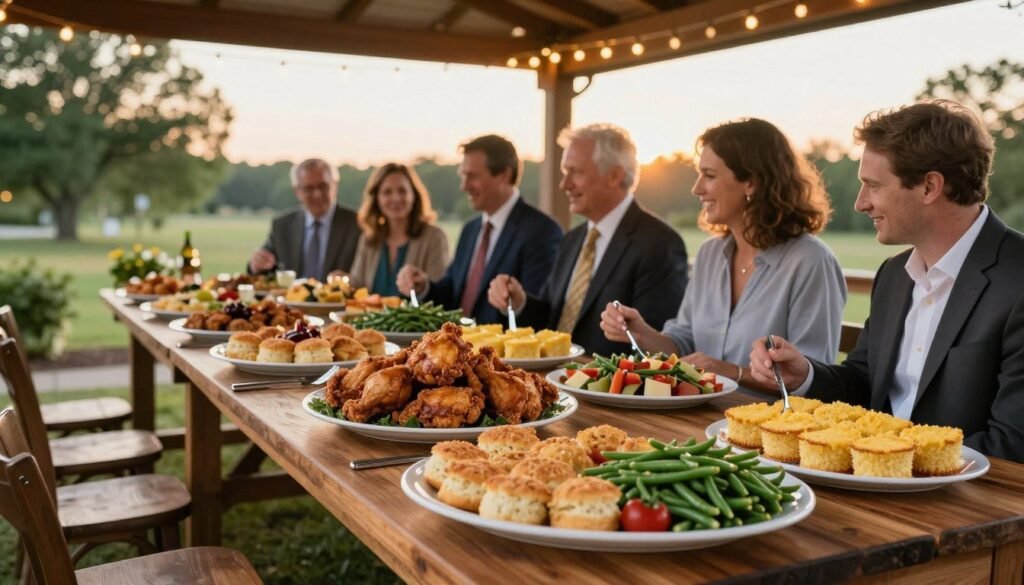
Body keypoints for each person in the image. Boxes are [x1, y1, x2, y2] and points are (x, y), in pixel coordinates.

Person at [748, 101, 1024, 463]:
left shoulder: (1016, 279)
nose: (861, 203)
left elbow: (1013, 445)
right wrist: (805, 376)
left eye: (873, 185)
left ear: (929, 187)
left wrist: (890, 461)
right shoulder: (894, 276)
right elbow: (865, 383)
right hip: (875, 482)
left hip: (964, 506)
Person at [599, 119, 846, 387]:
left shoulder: (811, 262)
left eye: (710, 175)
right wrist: (641, 332)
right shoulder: (710, 255)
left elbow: (811, 378)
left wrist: (729, 371)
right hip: (696, 417)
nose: (697, 188)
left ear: (751, 181)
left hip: (764, 425)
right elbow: (684, 343)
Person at [487, 123, 687, 355]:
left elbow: (652, 349)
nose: (565, 184)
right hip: (552, 383)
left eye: (576, 172)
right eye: (565, 172)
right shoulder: (572, 239)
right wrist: (520, 301)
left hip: (600, 388)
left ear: (614, 176)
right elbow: (550, 319)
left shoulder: (660, 244)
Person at [397, 135, 562, 323]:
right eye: (463, 176)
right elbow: (452, 292)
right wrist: (423, 287)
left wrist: (517, 302)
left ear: (504, 175)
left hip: (499, 350)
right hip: (457, 346)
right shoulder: (471, 229)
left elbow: (540, 312)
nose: (464, 186)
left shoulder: (542, 231)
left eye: (472, 176)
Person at [247, 158, 360, 281]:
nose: (317, 194)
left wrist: (350, 280)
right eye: (309, 188)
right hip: (291, 299)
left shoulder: (358, 224)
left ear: (335, 186)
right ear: (297, 191)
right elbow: (266, 267)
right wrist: (256, 265)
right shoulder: (282, 225)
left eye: (323, 186)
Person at [347, 163, 449, 295]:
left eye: (402, 191)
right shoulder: (368, 240)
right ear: (377, 198)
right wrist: (342, 281)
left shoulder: (434, 237)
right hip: (369, 315)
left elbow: (441, 291)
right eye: (387, 192)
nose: (395, 198)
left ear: (414, 195)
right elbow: (356, 285)